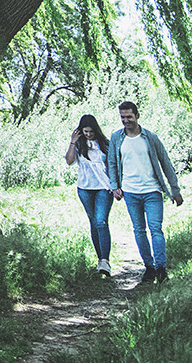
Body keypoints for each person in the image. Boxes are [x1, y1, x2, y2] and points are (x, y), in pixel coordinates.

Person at [107, 100, 183, 284]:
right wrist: (115, 186)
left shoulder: (150, 138)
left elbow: (166, 163)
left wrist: (175, 190)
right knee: (139, 230)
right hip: (130, 192)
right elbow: (112, 163)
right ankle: (149, 268)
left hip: (152, 191)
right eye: (122, 117)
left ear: (137, 116)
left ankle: (161, 268)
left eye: (129, 117)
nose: (126, 120)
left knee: (156, 229)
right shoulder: (117, 138)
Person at [64, 113, 113, 276]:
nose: (88, 134)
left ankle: (105, 261)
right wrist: (73, 142)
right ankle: (100, 260)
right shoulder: (79, 145)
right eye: (85, 132)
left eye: (91, 131)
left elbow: (113, 166)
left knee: (101, 222)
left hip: (103, 188)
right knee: (93, 222)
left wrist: (116, 186)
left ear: (96, 130)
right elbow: (69, 161)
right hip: (84, 188)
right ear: (80, 131)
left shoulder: (105, 144)